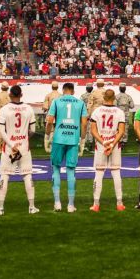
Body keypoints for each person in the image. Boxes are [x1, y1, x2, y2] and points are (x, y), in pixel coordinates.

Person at [0, 85, 38, 215]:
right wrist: (23, 139)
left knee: (5, 175)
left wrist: (12, 144)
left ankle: (0, 208)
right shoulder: (29, 108)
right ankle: (32, 207)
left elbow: (1, 131)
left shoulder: (4, 109)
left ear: (10, 95)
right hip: (24, 146)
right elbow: (33, 130)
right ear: (21, 95)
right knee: (27, 175)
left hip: (9, 147)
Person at [46, 82, 88, 213]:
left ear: (63, 90)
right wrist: (82, 140)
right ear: (73, 91)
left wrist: (47, 136)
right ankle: (70, 205)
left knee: (56, 169)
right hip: (73, 139)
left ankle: (57, 203)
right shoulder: (80, 103)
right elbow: (84, 123)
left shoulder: (56, 101)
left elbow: (49, 120)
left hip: (58, 139)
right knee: (71, 171)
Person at [88, 89, 127, 212]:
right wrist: (112, 143)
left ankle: (96, 204)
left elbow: (93, 130)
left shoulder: (97, 111)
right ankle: (119, 203)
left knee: (99, 173)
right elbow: (121, 131)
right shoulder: (119, 112)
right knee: (116, 172)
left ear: (104, 97)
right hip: (114, 145)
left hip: (101, 145)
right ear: (114, 97)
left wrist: (103, 142)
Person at [87, 79, 107, 155]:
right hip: (104, 111)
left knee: (93, 128)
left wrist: (88, 114)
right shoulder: (106, 92)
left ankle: (91, 145)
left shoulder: (94, 92)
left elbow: (90, 104)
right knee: (102, 129)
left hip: (95, 111)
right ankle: (102, 145)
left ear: (97, 85)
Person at [42, 81, 62, 153]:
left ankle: (50, 147)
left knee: (50, 131)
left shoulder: (48, 95)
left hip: (50, 115)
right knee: (59, 131)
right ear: (58, 87)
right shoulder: (61, 95)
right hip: (59, 115)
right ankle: (58, 146)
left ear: (52, 87)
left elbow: (45, 107)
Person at [115, 83, 135, 147]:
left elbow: (114, 105)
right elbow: (132, 106)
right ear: (125, 89)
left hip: (118, 115)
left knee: (118, 128)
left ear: (119, 89)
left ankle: (119, 140)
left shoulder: (116, 96)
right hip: (126, 115)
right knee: (125, 128)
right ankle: (124, 141)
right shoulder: (128, 96)